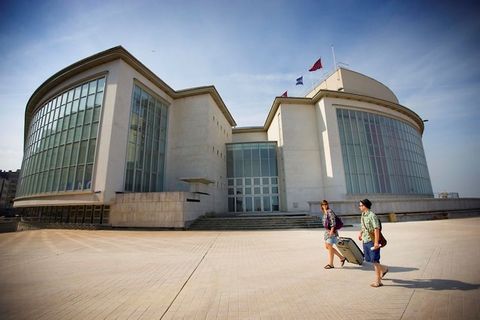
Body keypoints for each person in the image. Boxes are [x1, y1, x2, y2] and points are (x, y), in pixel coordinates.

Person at [358, 199, 388, 287]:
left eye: (360, 205)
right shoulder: (363, 215)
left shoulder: (372, 215)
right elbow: (363, 226)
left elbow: (376, 229)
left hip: (372, 240)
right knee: (369, 259)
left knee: (375, 261)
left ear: (365, 206)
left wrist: (376, 242)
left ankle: (378, 281)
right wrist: (360, 234)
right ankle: (384, 269)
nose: (359, 207)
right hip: (365, 240)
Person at [321, 200, 346, 269]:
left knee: (329, 246)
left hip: (331, 232)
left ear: (327, 205)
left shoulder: (329, 211)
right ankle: (342, 257)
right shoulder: (324, 212)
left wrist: (331, 231)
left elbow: (333, 222)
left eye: (326, 204)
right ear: (321, 206)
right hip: (327, 232)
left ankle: (331, 264)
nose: (324, 206)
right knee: (328, 247)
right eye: (323, 205)